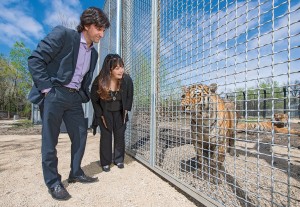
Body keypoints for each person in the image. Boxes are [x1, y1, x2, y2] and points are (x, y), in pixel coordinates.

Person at [27, 7, 110, 200]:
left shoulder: (94, 54)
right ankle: (53, 182)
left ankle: (76, 172)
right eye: (99, 29)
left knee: (81, 134)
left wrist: (82, 95)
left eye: (104, 30)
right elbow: (35, 59)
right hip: (54, 92)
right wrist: (47, 90)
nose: (102, 34)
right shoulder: (64, 35)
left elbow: (85, 79)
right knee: (50, 140)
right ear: (87, 25)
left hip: (74, 98)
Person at [91, 54, 133, 172]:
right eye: (117, 68)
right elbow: (94, 99)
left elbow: (130, 95)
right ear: (110, 69)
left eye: (122, 67)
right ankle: (105, 162)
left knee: (120, 135)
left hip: (120, 112)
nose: (121, 70)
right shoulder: (99, 80)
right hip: (105, 113)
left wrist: (126, 110)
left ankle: (119, 159)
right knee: (106, 136)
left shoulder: (127, 80)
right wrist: (100, 114)